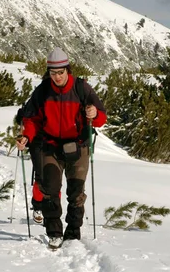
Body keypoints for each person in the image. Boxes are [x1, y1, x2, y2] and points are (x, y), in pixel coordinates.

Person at [16, 47, 107, 249]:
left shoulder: (82, 89)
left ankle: (73, 232)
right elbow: (31, 120)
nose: (57, 77)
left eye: (60, 72)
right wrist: (26, 136)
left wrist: (94, 113)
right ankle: (54, 232)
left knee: (76, 192)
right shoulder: (42, 91)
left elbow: (101, 118)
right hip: (50, 147)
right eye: (53, 73)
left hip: (78, 146)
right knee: (50, 188)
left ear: (68, 70)